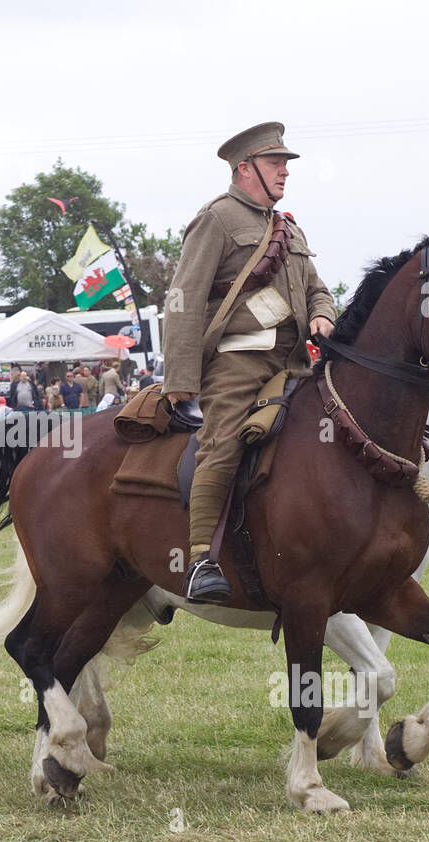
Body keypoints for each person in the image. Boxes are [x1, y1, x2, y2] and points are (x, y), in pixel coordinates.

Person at [161, 121, 336, 603]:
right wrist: (179, 378)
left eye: (285, 163)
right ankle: (201, 560)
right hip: (239, 361)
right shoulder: (216, 219)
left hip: (297, 362)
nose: (285, 171)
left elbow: (319, 289)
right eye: (276, 162)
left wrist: (322, 315)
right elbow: (182, 298)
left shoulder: (290, 228)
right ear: (245, 169)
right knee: (224, 443)